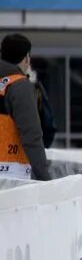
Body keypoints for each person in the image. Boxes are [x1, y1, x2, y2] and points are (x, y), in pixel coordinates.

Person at [0, 33, 51, 182]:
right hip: (10, 176)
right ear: (27, 58)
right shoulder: (19, 86)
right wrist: (45, 179)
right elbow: (31, 135)